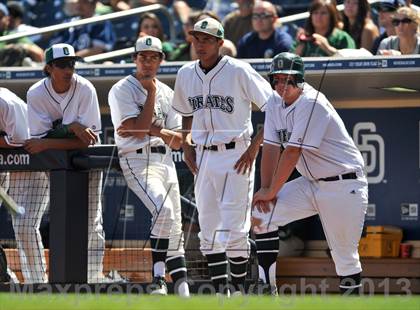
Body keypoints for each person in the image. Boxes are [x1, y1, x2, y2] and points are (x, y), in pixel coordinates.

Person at [252, 52, 368, 295]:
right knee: (261, 217)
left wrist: (273, 189)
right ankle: (266, 289)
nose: (282, 85)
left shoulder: (312, 102)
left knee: (345, 256)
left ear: (300, 80)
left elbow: (292, 152)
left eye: (288, 79)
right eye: (277, 79)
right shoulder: (274, 101)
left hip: (343, 184)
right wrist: (265, 190)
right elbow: (271, 147)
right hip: (310, 183)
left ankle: (354, 303)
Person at [172, 17, 272, 295]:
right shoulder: (185, 73)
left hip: (235, 154)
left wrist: (255, 147)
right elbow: (185, 111)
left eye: (207, 39)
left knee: (235, 229)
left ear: (219, 43)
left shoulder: (239, 70)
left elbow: (273, 107)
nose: (200, 44)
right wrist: (186, 142)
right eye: (196, 38)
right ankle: (221, 295)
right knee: (209, 230)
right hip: (203, 156)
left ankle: (238, 292)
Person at [108, 36, 190, 297]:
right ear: (134, 59)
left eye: (153, 56)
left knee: (175, 227)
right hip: (136, 159)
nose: (147, 61)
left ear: (161, 60)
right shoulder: (122, 88)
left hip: (165, 160)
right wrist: (151, 96)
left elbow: (179, 141)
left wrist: (153, 130)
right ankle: (158, 280)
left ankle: (183, 290)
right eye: (142, 56)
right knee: (163, 210)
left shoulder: (169, 92)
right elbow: (137, 130)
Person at [23, 43, 107, 283]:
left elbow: (86, 143)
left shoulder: (85, 88)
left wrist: (52, 141)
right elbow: (37, 143)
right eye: (61, 65)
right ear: (49, 68)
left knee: (92, 220)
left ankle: (92, 277)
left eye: (71, 63)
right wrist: (70, 128)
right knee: (42, 220)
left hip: (86, 159)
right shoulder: (36, 93)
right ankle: (41, 280)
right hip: (51, 163)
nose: (68, 69)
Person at [0, 87, 50, 284]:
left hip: (33, 161)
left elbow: (20, 140)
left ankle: (37, 284)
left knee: (25, 226)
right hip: (4, 161)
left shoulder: (5, 102)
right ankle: (4, 277)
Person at [50, 0, 115, 57]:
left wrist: (70, 58)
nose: (79, 5)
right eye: (79, 2)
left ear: (94, 5)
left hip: (88, 63)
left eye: (84, 2)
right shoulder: (70, 21)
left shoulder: (100, 22)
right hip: (67, 61)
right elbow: (56, 43)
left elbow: (97, 49)